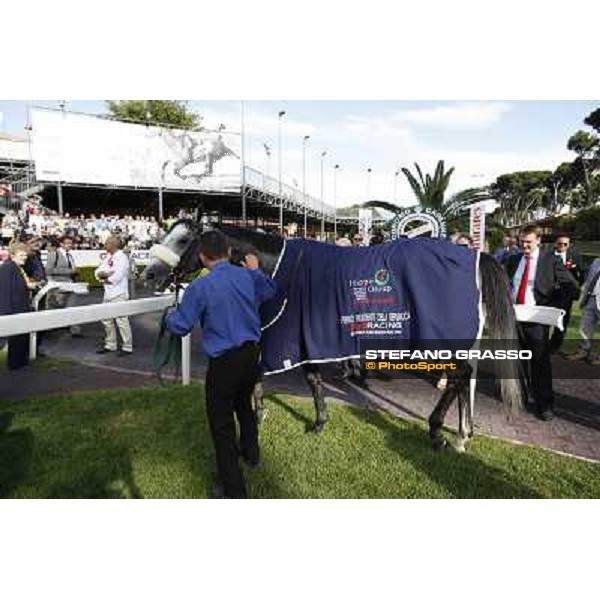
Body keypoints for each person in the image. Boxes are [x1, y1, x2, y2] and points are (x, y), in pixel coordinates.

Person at [165, 231, 277, 499]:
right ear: (228, 252)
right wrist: (255, 269)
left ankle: (233, 489)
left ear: (202, 257)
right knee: (243, 405)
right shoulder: (249, 276)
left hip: (225, 361)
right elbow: (271, 291)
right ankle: (251, 454)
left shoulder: (200, 287)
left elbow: (180, 326)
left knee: (221, 424)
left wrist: (168, 317)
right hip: (251, 355)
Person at [505, 226, 578, 421]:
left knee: (540, 362)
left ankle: (544, 404)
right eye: (522, 241)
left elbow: (571, 287)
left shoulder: (550, 260)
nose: (524, 244)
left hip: (537, 319)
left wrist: (552, 307)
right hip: (515, 317)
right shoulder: (513, 260)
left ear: (538, 240)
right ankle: (519, 397)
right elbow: (507, 284)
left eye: (528, 241)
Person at [94, 236, 133, 356]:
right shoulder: (108, 257)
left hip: (119, 293)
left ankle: (127, 347)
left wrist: (104, 276)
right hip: (108, 293)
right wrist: (104, 276)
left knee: (121, 320)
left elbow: (117, 277)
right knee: (106, 319)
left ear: (112, 245)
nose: (104, 246)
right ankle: (110, 344)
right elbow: (97, 272)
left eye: (106, 244)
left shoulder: (122, 258)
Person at [0, 242, 33, 370]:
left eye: (25, 255)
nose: (25, 257)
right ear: (12, 255)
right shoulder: (7, 268)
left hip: (21, 309)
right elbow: (4, 292)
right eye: (21, 255)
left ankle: (19, 363)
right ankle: (15, 365)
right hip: (13, 311)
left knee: (20, 339)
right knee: (15, 340)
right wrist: (7, 313)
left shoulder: (18, 268)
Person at [549, 233, 583, 353]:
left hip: (565, 295)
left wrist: (574, 289)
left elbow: (581, 274)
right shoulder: (547, 255)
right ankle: (540, 344)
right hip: (548, 293)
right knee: (544, 319)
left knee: (562, 321)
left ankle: (554, 347)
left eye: (565, 244)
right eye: (560, 243)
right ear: (555, 243)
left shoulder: (574, 256)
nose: (562, 246)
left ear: (569, 245)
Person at [45, 235, 82, 337]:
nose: (70, 245)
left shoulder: (69, 255)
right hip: (58, 286)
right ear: (61, 244)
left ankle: (75, 330)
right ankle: (50, 329)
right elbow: (48, 270)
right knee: (54, 307)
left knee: (73, 307)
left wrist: (75, 273)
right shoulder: (53, 254)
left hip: (70, 284)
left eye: (71, 243)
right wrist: (70, 271)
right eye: (67, 243)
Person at [566, 257, 600, 365]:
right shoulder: (596, 261)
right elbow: (587, 277)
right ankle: (583, 351)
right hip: (591, 298)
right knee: (585, 327)